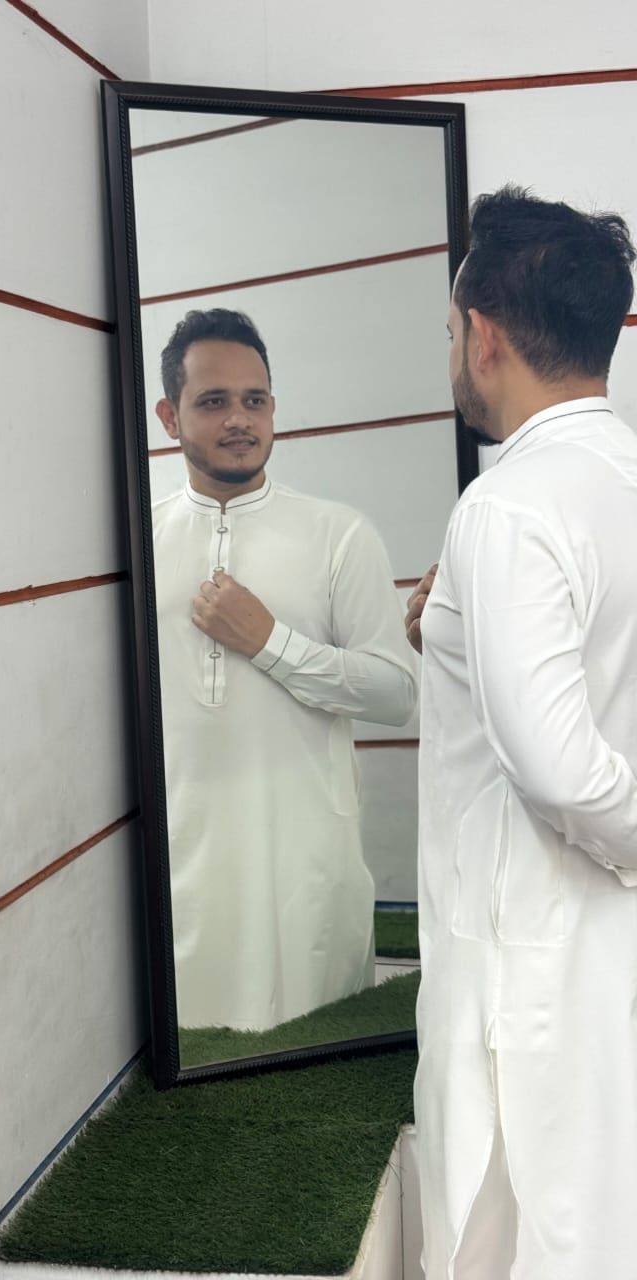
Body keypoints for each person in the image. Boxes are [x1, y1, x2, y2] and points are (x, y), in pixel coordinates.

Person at [405, 185, 637, 1279]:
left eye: (452, 329)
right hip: (596, 953)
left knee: (521, 1236)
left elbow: (562, 771)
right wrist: (450, 634)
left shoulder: (507, 505)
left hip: (524, 973)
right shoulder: (618, 480)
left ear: (484, 334)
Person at [152, 308, 417, 1031]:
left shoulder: (338, 535)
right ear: (170, 417)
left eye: (255, 400)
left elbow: (397, 694)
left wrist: (270, 642)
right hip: (179, 878)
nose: (239, 419)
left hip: (306, 877)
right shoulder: (137, 545)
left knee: (312, 1072)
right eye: (214, 401)